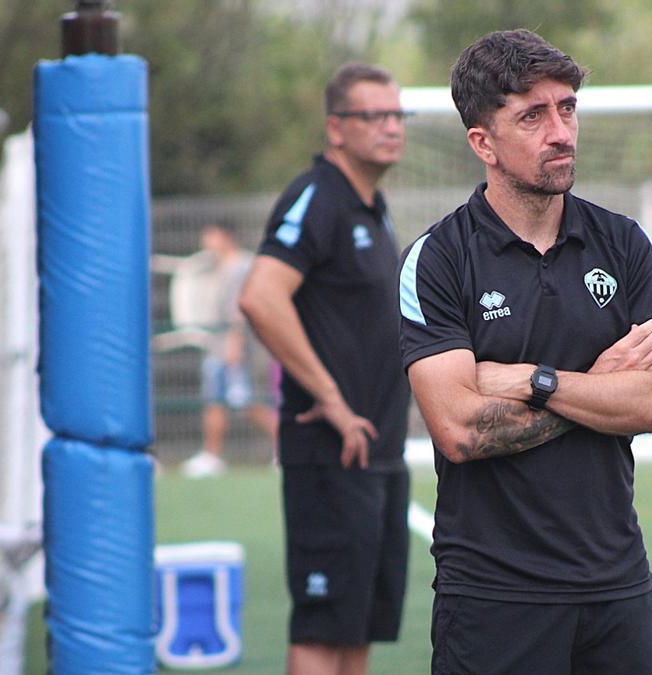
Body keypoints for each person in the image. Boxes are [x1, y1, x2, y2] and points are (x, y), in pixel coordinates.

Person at [398, 30, 652, 674]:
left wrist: (535, 380)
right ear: (483, 143)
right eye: (533, 115)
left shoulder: (624, 244)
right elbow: (460, 430)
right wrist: (601, 387)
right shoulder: (439, 260)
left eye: (568, 108)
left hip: (618, 587)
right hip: (494, 596)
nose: (561, 131)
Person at [237, 63, 411, 675]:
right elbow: (260, 296)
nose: (392, 127)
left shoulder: (372, 206)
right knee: (321, 626)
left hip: (379, 452)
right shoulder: (318, 197)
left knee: (357, 625)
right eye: (375, 116)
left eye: (397, 115)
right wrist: (332, 400)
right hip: (330, 451)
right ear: (336, 128)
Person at [181, 222, 278, 478]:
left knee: (246, 403)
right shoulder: (217, 267)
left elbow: (241, 309)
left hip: (234, 348)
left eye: (211, 236)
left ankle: (285, 445)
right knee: (215, 400)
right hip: (218, 346)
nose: (207, 243)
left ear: (226, 237)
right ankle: (211, 455)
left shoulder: (241, 267)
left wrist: (234, 344)